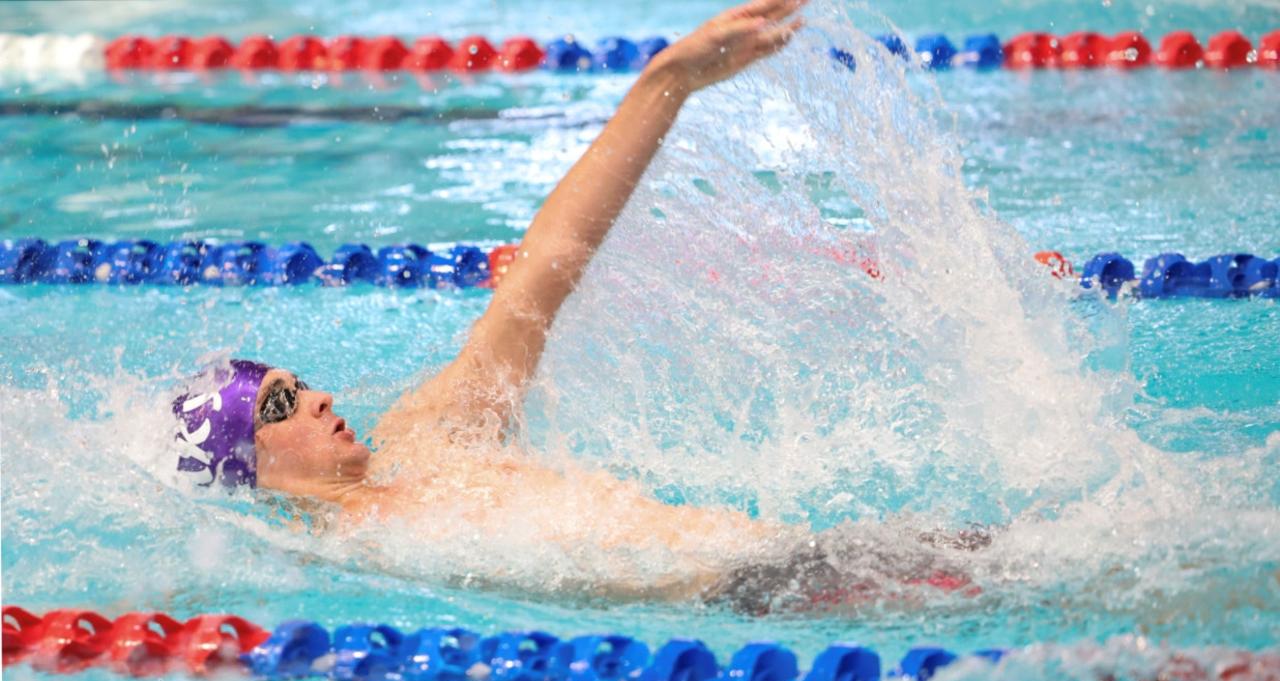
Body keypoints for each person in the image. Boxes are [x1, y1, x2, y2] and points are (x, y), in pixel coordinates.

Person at [173, 0, 979, 611]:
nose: (319, 397)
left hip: (809, 558)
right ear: (251, 466)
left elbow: (548, 267)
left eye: (300, 382)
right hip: (763, 602)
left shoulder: (434, 436)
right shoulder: (347, 558)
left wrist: (668, 82)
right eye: (282, 404)